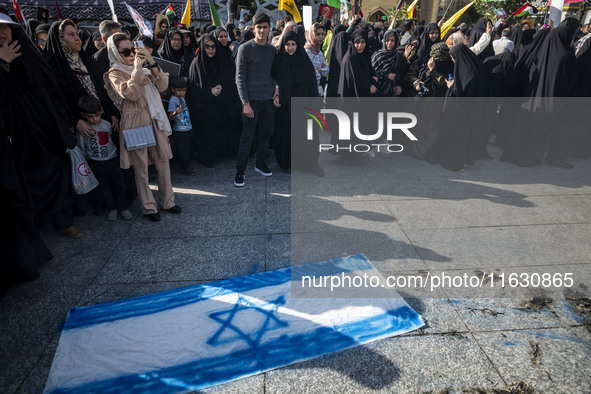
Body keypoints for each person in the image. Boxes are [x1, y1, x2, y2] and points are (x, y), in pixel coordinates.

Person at [0, 10, 83, 246]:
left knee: (56, 175)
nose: (0, 34)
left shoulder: (29, 56)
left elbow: (51, 91)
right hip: (14, 136)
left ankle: (63, 220)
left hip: (46, 131)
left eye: (3, 28)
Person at [104, 32, 180, 222]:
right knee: (141, 167)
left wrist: (151, 62)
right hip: (134, 121)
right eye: (125, 51)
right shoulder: (114, 72)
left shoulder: (144, 66)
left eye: (133, 49)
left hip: (154, 118)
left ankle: (168, 202)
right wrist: (138, 69)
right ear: (115, 53)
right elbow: (130, 94)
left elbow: (163, 85)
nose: (131, 54)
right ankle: (148, 207)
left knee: (163, 161)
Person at [233, 12, 278, 187]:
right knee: (247, 138)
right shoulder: (245, 49)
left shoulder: (272, 50)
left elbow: (274, 74)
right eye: (258, 27)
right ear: (253, 29)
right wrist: (245, 103)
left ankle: (260, 164)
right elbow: (239, 78)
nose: (262, 30)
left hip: (267, 101)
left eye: (265, 27)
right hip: (251, 101)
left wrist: (276, 89)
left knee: (266, 135)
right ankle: (240, 171)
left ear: (269, 28)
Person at [77, 95, 133, 221]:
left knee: (119, 185)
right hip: (96, 163)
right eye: (90, 116)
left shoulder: (107, 124)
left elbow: (116, 139)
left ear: (101, 110)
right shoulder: (83, 130)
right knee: (104, 187)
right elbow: (82, 146)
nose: (94, 119)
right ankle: (112, 207)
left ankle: (123, 207)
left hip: (112, 160)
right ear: (83, 115)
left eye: (97, 115)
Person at [271, 30, 320, 174]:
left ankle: (311, 164)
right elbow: (273, 78)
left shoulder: (304, 61)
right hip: (286, 107)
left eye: (293, 44)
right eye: (287, 44)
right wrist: (276, 90)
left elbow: (311, 83)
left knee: (308, 135)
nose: (290, 47)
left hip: (304, 105)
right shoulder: (280, 61)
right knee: (286, 136)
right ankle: (286, 163)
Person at [167, 77, 196, 176]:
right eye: (179, 90)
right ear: (173, 90)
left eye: (184, 90)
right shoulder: (172, 101)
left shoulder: (182, 98)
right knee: (183, 150)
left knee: (187, 148)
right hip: (179, 130)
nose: (181, 93)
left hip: (187, 127)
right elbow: (170, 116)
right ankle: (184, 167)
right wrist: (176, 112)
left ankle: (186, 165)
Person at [337, 28, 378, 98]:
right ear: (353, 42)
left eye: (363, 42)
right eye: (357, 42)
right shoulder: (349, 58)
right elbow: (355, 81)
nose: (360, 45)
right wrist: (371, 83)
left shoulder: (362, 56)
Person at [371, 29, 405, 97]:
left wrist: (400, 86)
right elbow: (372, 74)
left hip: (393, 94)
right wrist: (386, 76)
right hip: (378, 93)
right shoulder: (377, 56)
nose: (389, 43)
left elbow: (402, 74)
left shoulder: (398, 57)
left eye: (392, 41)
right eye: (387, 40)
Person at [304, 22, 328, 96]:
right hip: (308, 91)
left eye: (323, 34)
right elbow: (313, 74)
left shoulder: (319, 52)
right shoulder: (307, 52)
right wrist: (320, 70)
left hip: (319, 91)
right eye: (318, 34)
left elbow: (327, 70)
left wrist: (320, 70)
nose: (321, 37)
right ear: (312, 35)